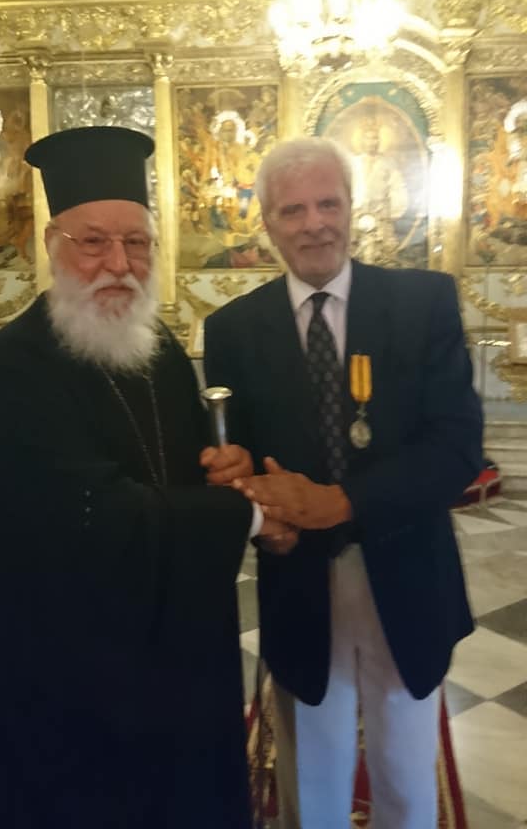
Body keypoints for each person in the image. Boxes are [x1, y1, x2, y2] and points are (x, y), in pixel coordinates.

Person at [0, 125, 286, 829]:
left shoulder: (154, 346)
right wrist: (252, 513)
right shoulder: (15, 365)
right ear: (52, 245)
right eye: (93, 242)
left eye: (137, 242)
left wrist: (228, 468)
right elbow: (95, 512)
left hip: (183, 660)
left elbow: (183, 472)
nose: (119, 264)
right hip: (76, 678)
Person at [204, 136, 483, 829]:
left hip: (407, 567)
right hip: (299, 578)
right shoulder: (234, 329)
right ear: (267, 223)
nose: (314, 224)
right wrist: (252, 505)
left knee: (406, 777)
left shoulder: (422, 303)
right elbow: (238, 458)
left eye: (328, 204)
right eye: (292, 210)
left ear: (354, 208)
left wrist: (342, 503)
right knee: (314, 778)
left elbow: (456, 448)